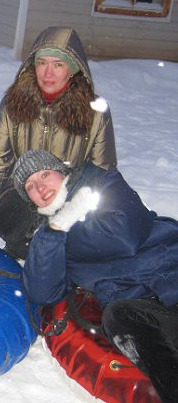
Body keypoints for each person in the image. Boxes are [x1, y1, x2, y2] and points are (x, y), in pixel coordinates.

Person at [13, 149, 178, 403]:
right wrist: (53, 232)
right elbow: (43, 293)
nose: (40, 187)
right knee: (118, 316)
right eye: (30, 186)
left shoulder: (102, 183)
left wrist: (69, 227)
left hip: (170, 270)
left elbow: (124, 238)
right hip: (149, 310)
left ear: (62, 172)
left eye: (45, 174)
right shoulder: (52, 236)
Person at [0, 26, 117, 260]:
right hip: (22, 195)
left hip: (71, 195)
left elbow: (103, 171)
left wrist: (86, 211)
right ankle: (24, 259)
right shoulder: (13, 104)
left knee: (72, 233)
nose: (48, 73)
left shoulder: (94, 112)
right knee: (18, 224)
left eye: (58, 65)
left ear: (73, 69)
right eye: (42, 63)